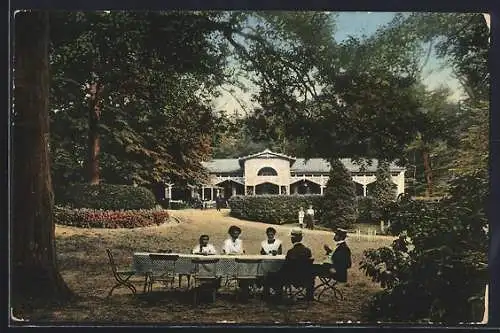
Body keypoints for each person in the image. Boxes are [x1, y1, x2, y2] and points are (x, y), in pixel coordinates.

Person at [264, 228, 314, 301]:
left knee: (270, 275)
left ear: (292, 239)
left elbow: (286, 267)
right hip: (305, 277)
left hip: (291, 278)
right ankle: (309, 296)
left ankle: (275, 295)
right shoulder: (307, 251)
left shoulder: (291, 252)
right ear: (301, 238)